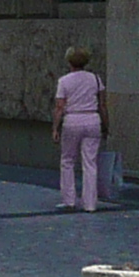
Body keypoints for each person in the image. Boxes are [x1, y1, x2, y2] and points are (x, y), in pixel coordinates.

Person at [55, 46, 109, 210]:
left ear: (69, 61)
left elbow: (59, 106)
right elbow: (102, 104)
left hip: (72, 119)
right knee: (90, 162)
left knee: (67, 160)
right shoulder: (96, 79)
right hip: (92, 118)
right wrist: (106, 125)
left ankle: (69, 200)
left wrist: (55, 127)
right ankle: (90, 203)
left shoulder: (64, 81)